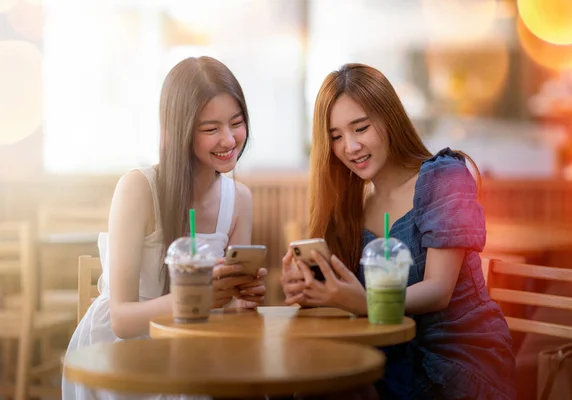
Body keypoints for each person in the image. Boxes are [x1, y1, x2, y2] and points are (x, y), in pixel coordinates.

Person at [280, 63, 516, 399]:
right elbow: (346, 301)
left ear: (389, 118)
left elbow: (439, 290)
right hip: (388, 351)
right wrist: (310, 289)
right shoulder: (353, 207)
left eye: (360, 128)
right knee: (300, 378)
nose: (350, 146)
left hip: (456, 360)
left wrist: (363, 303)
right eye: (335, 137)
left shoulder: (444, 176)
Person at [63, 56, 267, 399]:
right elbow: (122, 322)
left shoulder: (240, 199)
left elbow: (223, 309)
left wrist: (238, 300)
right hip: (124, 355)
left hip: (194, 343)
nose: (229, 139)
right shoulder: (138, 189)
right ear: (180, 130)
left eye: (236, 122)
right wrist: (197, 299)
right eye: (210, 129)